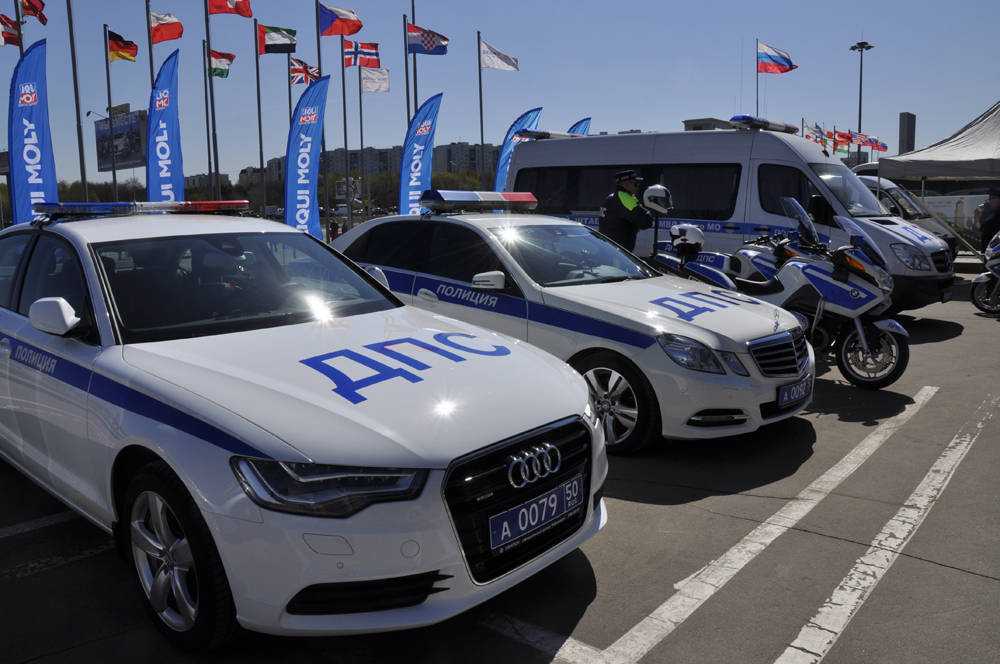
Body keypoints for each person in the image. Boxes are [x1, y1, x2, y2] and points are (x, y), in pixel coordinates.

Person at [599, 170, 655, 252]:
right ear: (626, 184)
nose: (638, 186)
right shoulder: (625, 198)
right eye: (635, 183)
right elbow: (646, 222)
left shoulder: (610, 197)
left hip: (608, 247)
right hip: (619, 251)